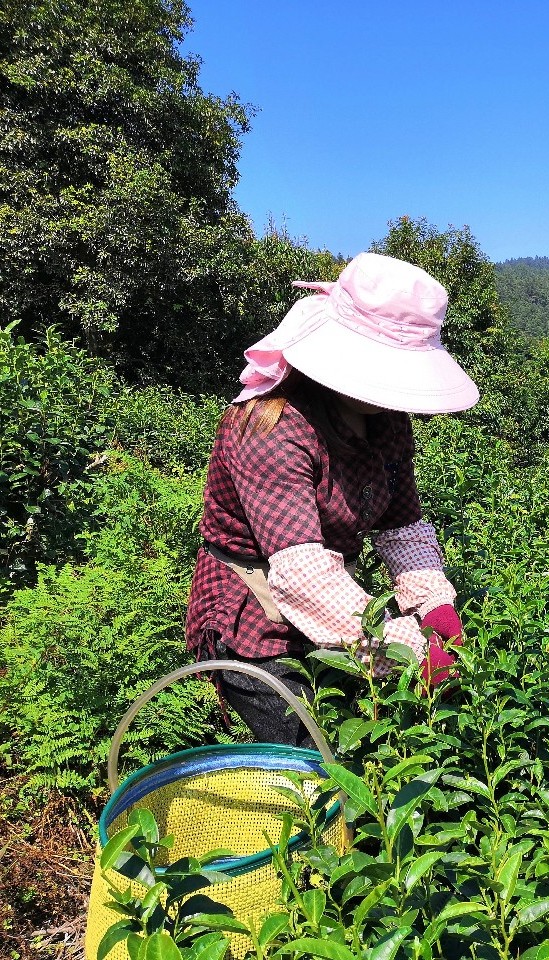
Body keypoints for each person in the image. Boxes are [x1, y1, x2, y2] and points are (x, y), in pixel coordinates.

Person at [185, 252, 478, 746]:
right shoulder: (272, 428)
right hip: (255, 613)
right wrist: (409, 648)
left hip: (333, 596)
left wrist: (437, 609)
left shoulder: (386, 423)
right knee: (307, 753)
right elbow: (302, 575)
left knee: (362, 739)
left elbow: (402, 528)